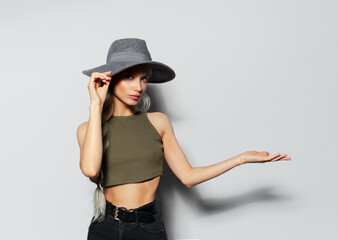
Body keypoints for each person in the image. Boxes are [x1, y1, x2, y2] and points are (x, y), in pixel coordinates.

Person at [76, 38, 291, 240]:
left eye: (144, 79)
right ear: (109, 78)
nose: (139, 87)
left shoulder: (158, 122)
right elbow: (91, 170)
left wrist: (240, 159)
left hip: (147, 227)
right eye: (130, 76)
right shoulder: (88, 128)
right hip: (105, 228)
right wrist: (95, 106)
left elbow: (188, 177)